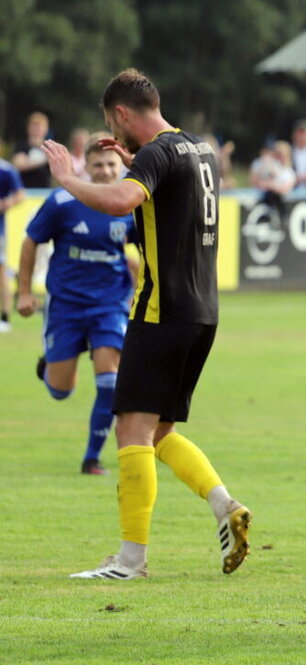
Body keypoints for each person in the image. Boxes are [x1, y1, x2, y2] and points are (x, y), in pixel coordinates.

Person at [40, 68, 251, 579]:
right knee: (158, 432)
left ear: (120, 115)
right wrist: (140, 162)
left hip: (161, 311)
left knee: (131, 430)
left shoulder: (156, 155)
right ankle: (224, 505)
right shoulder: (198, 149)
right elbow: (167, 191)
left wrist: (70, 179)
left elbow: (121, 200)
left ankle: (130, 560)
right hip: (204, 313)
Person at [16, 132, 137, 476]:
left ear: (120, 165)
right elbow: (30, 241)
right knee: (60, 391)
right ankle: (51, 369)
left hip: (109, 305)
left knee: (109, 382)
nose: (104, 171)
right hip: (66, 306)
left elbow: (144, 252)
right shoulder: (62, 202)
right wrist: (24, 292)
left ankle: (91, 458)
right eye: (98, 164)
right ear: (86, 165)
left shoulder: (130, 204)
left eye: (111, 164)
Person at [0, 156, 26, 333]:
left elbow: (20, 195)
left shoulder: (6, 169)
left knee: (1, 271)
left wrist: (5, 203)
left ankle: (5, 316)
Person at [13, 111, 52, 189]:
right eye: (34, 126)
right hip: (25, 191)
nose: (37, 129)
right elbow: (19, 165)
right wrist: (45, 159)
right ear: (28, 128)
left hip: (44, 191)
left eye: (40, 126)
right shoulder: (21, 146)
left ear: (46, 129)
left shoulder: (50, 147)